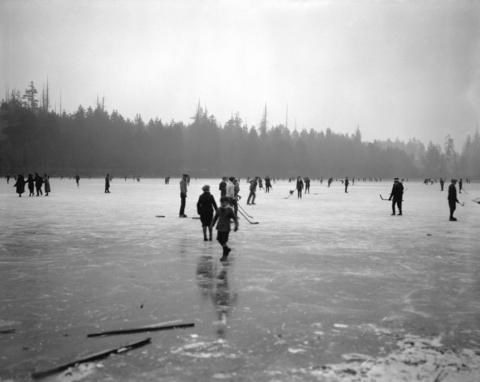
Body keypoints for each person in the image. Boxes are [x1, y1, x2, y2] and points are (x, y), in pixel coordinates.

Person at [211, 197, 239, 262]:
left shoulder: (229, 210)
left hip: (226, 228)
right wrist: (212, 224)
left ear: (227, 202)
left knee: (224, 241)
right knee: (219, 239)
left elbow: (235, 218)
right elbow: (215, 217)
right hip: (220, 227)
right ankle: (227, 249)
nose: (223, 203)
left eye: (224, 202)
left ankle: (224, 256)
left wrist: (236, 226)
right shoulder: (219, 209)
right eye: (221, 202)